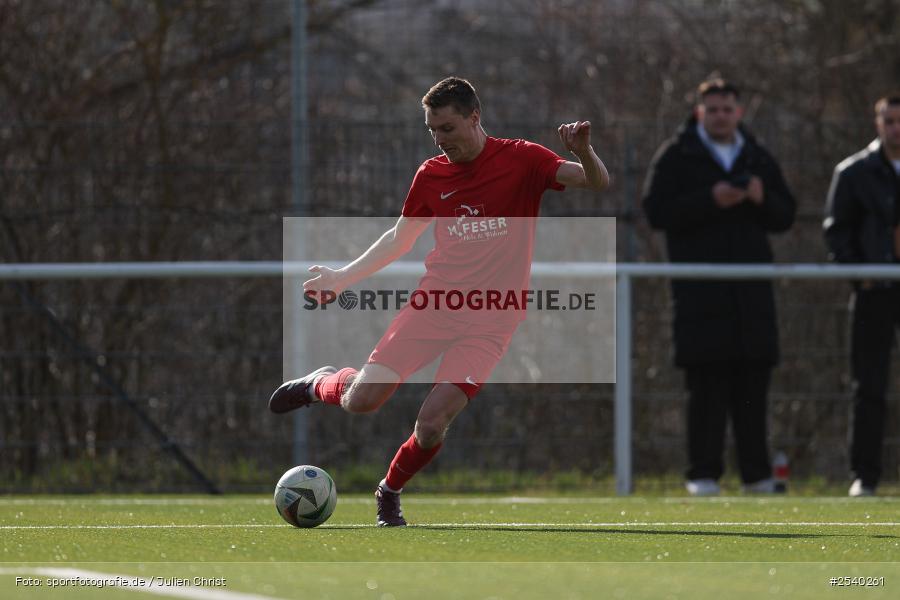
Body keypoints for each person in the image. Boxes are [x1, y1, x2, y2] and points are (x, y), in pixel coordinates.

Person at [269, 77, 609, 525]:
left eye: (447, 128)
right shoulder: (431, 175)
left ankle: (389, 491)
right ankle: (321, 383)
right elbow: (398, 239)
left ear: (474, 117)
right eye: (432, 130)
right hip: (434, 308)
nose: (439, 139)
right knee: (361, 401)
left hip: (492, 320)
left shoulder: (523, 159)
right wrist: (342, 277)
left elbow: (597, 182)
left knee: (431, 424)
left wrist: (582, 148)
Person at [642, 78, 796, 496]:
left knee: (753, 386)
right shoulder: (677, 155)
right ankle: (702, 476)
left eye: (728, 109)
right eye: (713, 110)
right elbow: (655, 210)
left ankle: (757, 477)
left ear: (739, 113)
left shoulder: (757, 156)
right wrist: (711, 199)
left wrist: (762, 199)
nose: (721, 116)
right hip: (700, 294)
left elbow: (787, 215)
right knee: (704, 386)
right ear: (699, 112)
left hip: (751, 296)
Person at [824, 93, 900, 497]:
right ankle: (865, 478)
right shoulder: (853, 173)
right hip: (874, 293)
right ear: (877, 123)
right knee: (868, 386)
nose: (896, 128)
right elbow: (836, 232)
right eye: (889, 120)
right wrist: (862, 274)